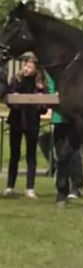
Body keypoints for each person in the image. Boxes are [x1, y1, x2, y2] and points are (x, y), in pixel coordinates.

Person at [3, 55, 46, 198]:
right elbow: (8, 99)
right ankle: (10, 186)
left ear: (36, 71)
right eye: (26, 66)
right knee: (14, 154)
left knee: (31, 155)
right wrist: (13, 97)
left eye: (30, 67)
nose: (26, 69)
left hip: (32, 122)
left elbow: (44, 107)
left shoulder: (40, 85)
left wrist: (40, 101)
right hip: (16, 120)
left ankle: (30, 187)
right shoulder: (16, 80)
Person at [45, 71, 83, 199]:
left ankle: (76, 187)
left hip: (73, 118)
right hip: (58, 118)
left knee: (74, 154)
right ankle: (62, 188)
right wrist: (54, 96)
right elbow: (51, 89)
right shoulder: (51, 73)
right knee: (59, 154)